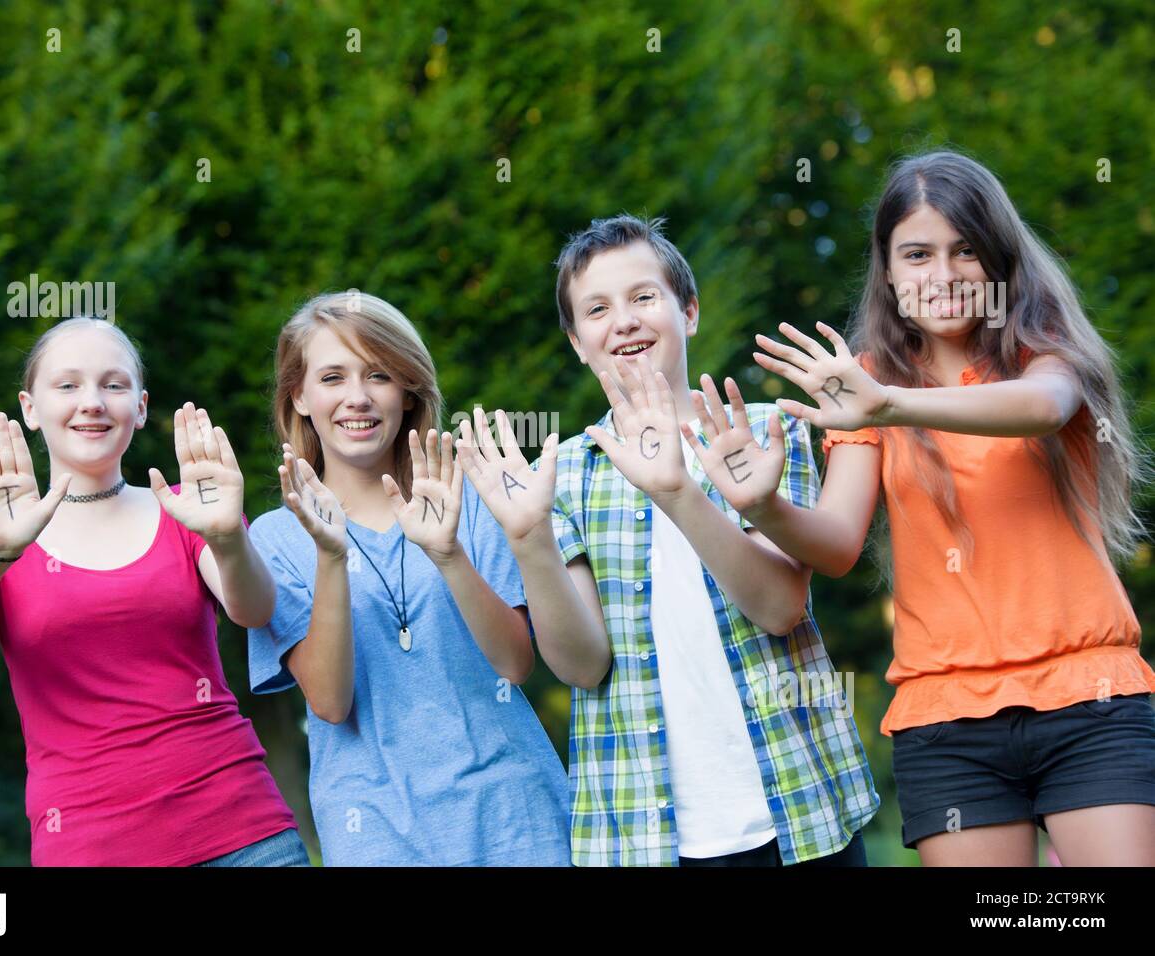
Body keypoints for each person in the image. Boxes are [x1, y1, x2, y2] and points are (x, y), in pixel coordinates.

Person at [747, 150, 1155, 865]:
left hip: (1088, 697)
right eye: (917, 254)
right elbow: (838, 542)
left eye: (965, 250)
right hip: (948, 719)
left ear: (998, 261)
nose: (942, 275)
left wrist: (892, 404)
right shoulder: (868, 381)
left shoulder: (1043, 353)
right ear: (889, 270)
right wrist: (763, 502)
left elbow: (1041, 409)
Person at [459, 214, 878, 866]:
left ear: (689, 311)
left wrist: (678, 491)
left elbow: (779, 608)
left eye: (643, 297)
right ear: (577, 341)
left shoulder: (765, 432)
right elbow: (581, 666)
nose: (623, 320)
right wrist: (529, 540)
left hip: (801, 810)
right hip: (643, 835)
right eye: (597, 308)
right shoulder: (562, 475)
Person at [0, 317, 305, 866]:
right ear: (30, 407)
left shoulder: (188, 508)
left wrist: (225, 537)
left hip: (242, 834)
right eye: (68, 385)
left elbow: (255, 610)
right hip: (88, 845)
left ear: (140, 407)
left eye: (113, 385)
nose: (92, 402)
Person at [246, 291, 570, 866]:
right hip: (375, 833)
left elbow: (515, 664)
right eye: (332, 377)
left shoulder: (467, 498)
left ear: (408, 388)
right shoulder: (276, 538)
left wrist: (448, 555)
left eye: (378, 374)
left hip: (517, 819)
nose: (357, 398)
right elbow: (328, 701)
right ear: (298, 395)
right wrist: (331, 556)